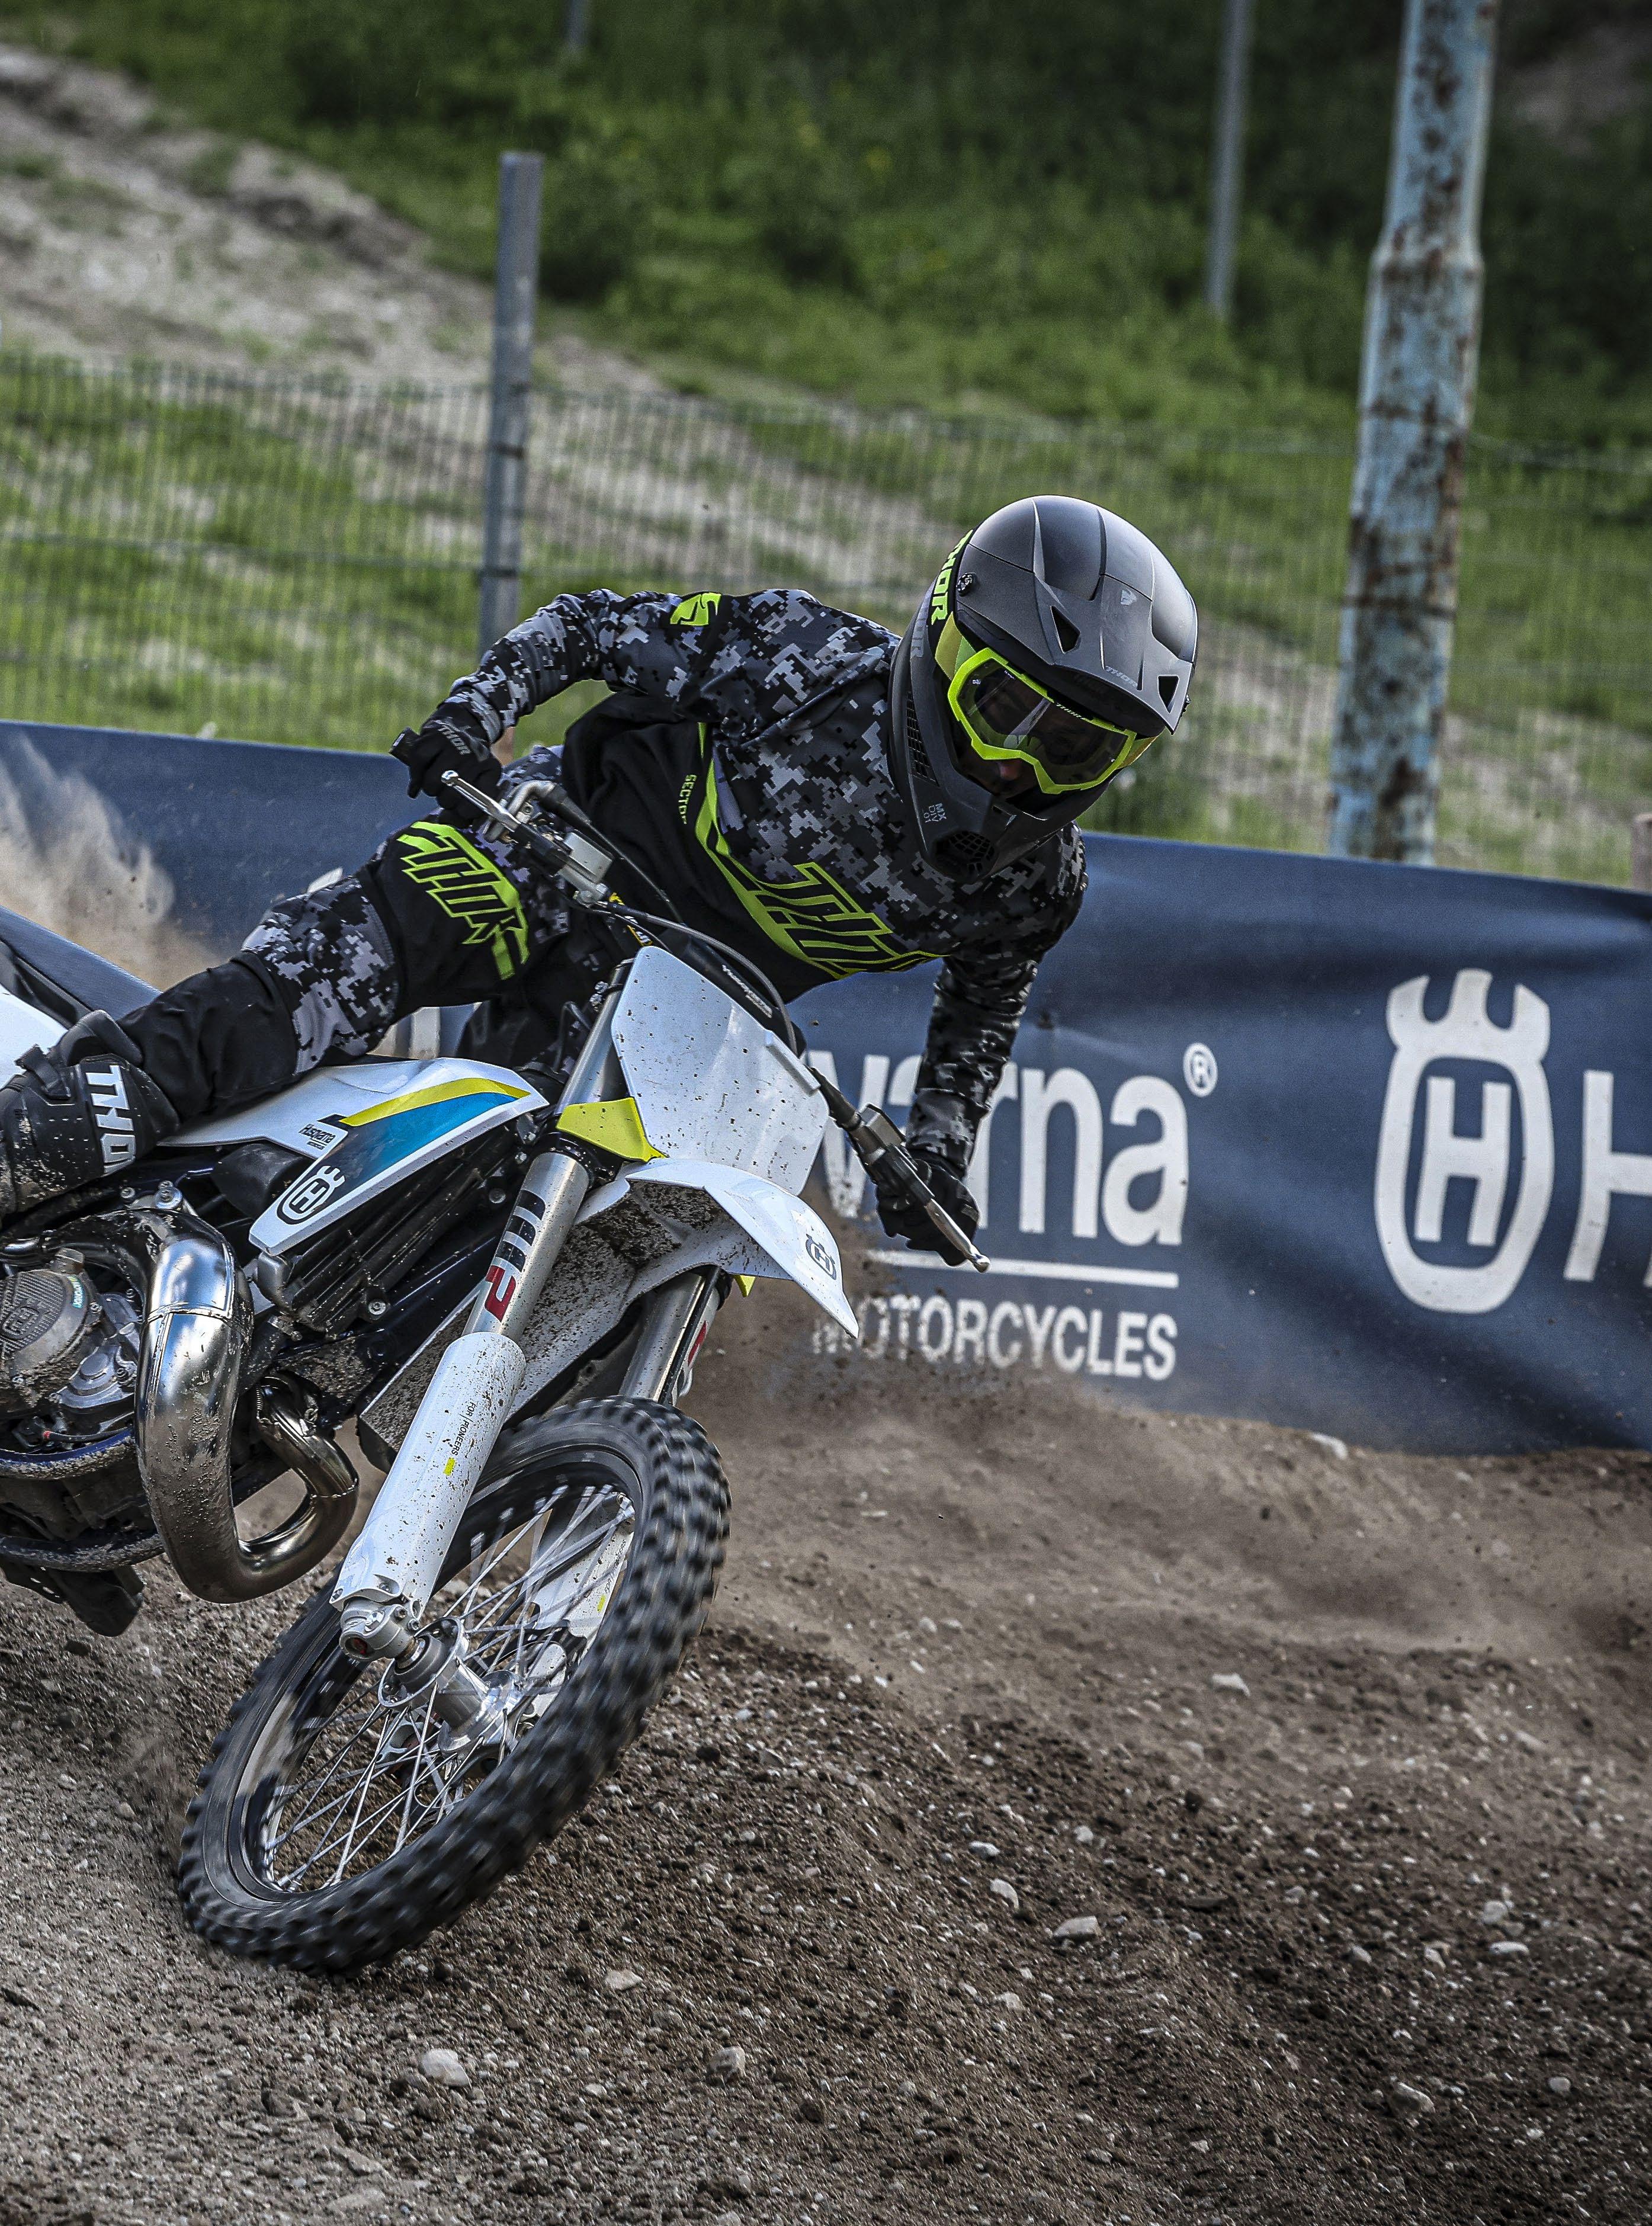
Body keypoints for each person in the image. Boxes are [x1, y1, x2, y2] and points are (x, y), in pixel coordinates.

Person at [0, 495, 1196, 1259]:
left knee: (511, 1212)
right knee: (335, 971)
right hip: (548, 860)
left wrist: (936, 1146)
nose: (1020, 762)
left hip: (680, 1014)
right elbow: (583, 628)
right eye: (1002, 707)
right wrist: (472, 718)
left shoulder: (1035, 886)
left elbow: (985, 999)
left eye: (1075, 749)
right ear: (942, 644)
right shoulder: (803, 657)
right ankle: (60, 1121)